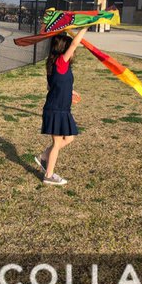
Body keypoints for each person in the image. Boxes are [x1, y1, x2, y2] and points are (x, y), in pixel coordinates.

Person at [34, 25, 88, 186]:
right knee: (57, 144)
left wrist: (70, 91)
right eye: (70, 50)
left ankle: (43, 156)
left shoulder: (56, 64)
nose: (73, 52)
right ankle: (48, 175)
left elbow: (52, 86)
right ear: (63, 49)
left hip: (63, 109)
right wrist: (87, 26)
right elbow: (74, 44)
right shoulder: (60, 62)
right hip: (55, 109)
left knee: (69, 138)